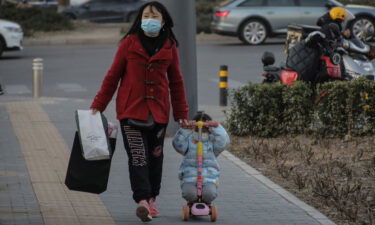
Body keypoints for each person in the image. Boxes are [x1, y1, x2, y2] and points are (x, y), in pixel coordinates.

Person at [90, 1, 189, 222]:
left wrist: (181, 111)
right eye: (146, 16)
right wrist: (98, 105)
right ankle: (142, 200)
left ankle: (153, 198)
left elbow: (176, 81)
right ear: (140, 19)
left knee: (155, 158)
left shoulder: (170, 46)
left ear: (163, 21)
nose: (150, 20)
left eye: (154, 16)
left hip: (159, 113)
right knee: (138, 157)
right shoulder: (128, 43)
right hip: (130, 112)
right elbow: (112, 76)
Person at [172, 112, 230, 205]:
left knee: (209, 194)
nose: (201, 130)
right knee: (190, 194)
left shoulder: (212, 141)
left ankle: (206, 202)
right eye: (198, 128)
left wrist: (217, 127)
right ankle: (191, 202)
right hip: (189, 176)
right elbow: (178, 145)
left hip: (209, 177)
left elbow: (223, 141)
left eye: (204, 128)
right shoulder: (189, 139)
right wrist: (184, 130)